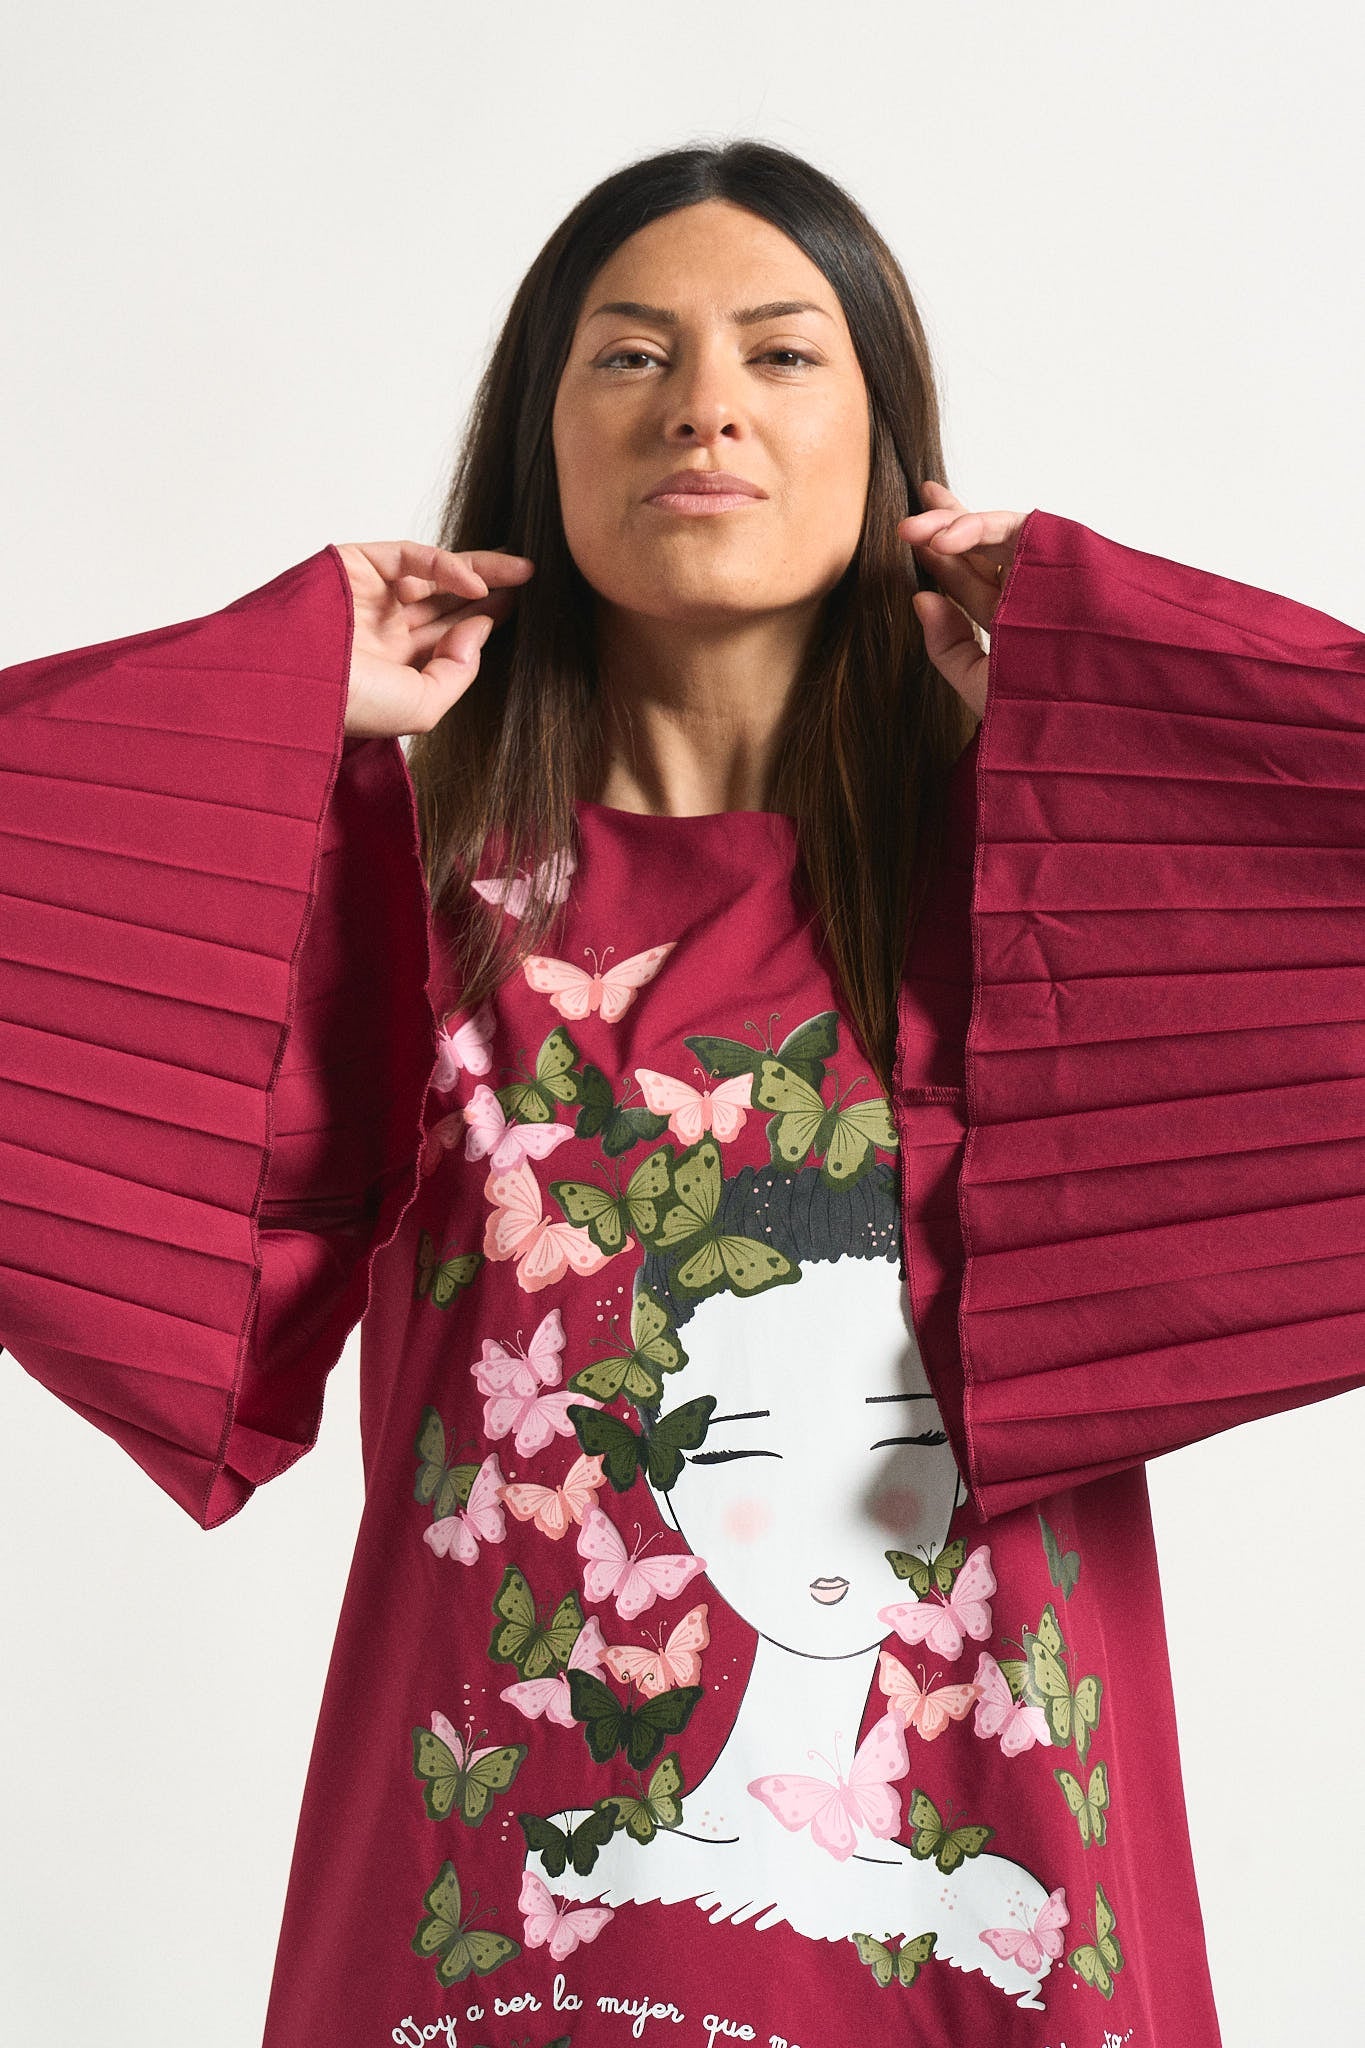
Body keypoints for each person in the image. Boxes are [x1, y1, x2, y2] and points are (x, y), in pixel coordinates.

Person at [4, 137, 1364, 2047]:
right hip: (507, 1946)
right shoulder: (396, 897)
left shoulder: (1057, 895)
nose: (704, 405)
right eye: (630, 354)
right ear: (541, 438)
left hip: (995, 1930)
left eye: (781, 354)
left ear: (887, 442)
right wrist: (267, 694)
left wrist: (1116, 672)